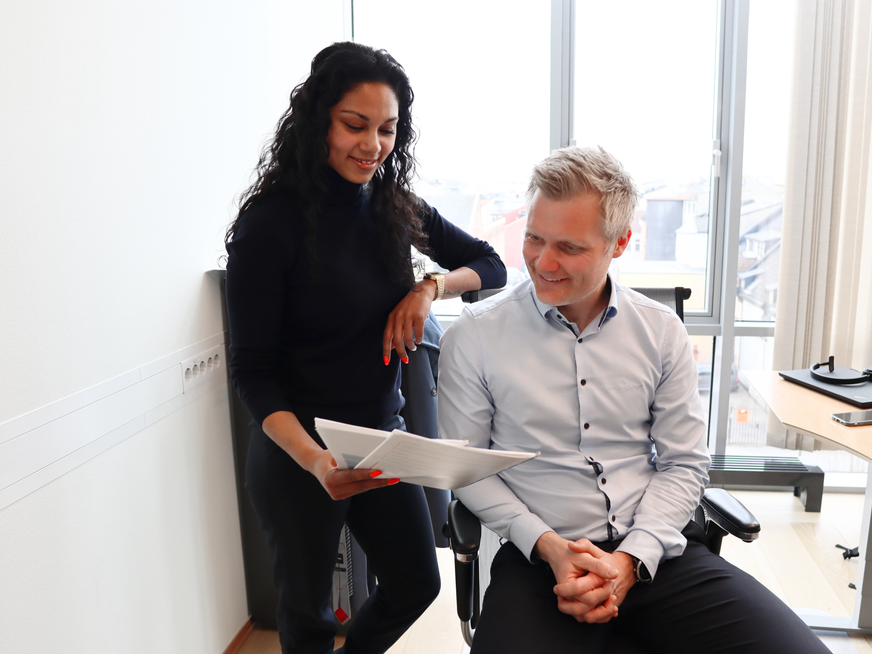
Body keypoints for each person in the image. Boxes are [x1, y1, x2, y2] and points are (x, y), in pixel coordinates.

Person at [437, 146, 829, 653]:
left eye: (568, 247)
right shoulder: (474, 336)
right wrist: (550, 547)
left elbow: (684, 463)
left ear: (620, 242)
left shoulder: (660, 331)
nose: (543, 262)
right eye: (534, 238)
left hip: (657, 556)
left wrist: (629, 561)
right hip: (541, 561)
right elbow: (469, 469)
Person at [224, 42, 506, 654]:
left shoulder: (393, 206)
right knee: (307, 619)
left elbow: (491, 264)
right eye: (355, 125)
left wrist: (430, 288)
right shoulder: (269, 225)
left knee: (416, 583)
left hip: (381, 439)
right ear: (318, 120)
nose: (372, 145)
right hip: (298, 452)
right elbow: (251, 373)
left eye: (387, 129)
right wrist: (316, 461)